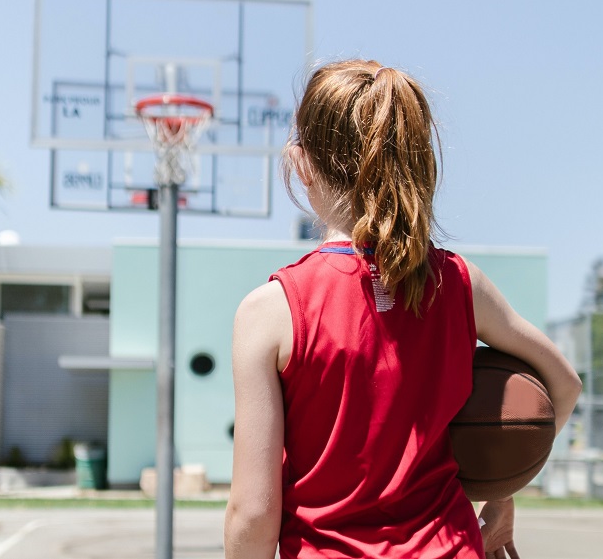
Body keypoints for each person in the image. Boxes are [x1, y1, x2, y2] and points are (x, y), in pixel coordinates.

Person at [224, 60, 581, 559]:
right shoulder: (458, 283)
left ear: (301, 164)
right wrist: (501, 488)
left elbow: (253, 514)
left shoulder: (271, 312)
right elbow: (564, 383)